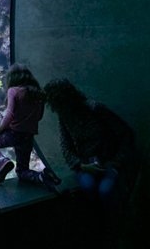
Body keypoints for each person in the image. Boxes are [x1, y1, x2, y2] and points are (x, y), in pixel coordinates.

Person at [43, 78, 137, 232]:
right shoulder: (64, 116)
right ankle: (97, 227)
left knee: (106, 191)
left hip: (109, 162)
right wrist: (81, 165)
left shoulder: (96, 109)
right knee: (88, 186)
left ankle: (115, 228)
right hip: (85, 165)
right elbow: (65, 146)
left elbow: (127, 135)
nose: (56, 108)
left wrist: (115, 162)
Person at [0, 63, 59, 189]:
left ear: (13, 78)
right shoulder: (39, 94)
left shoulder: (14, 91)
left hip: (13, 133)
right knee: (22, 171)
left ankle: (2, 161)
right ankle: (43, 176)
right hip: (28, 137)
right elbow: (39, 117)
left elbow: (9, 114)